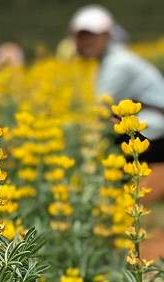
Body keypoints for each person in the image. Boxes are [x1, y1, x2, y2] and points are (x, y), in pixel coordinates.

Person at [70, 5, 164, 164]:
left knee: (104, 145)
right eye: (81, 36)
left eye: (92, 36)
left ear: (107, 35)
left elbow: (102, 111)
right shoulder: (111, 58)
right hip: (148, 127)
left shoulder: (117, 64)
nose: (85, 42)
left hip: (154, 130)